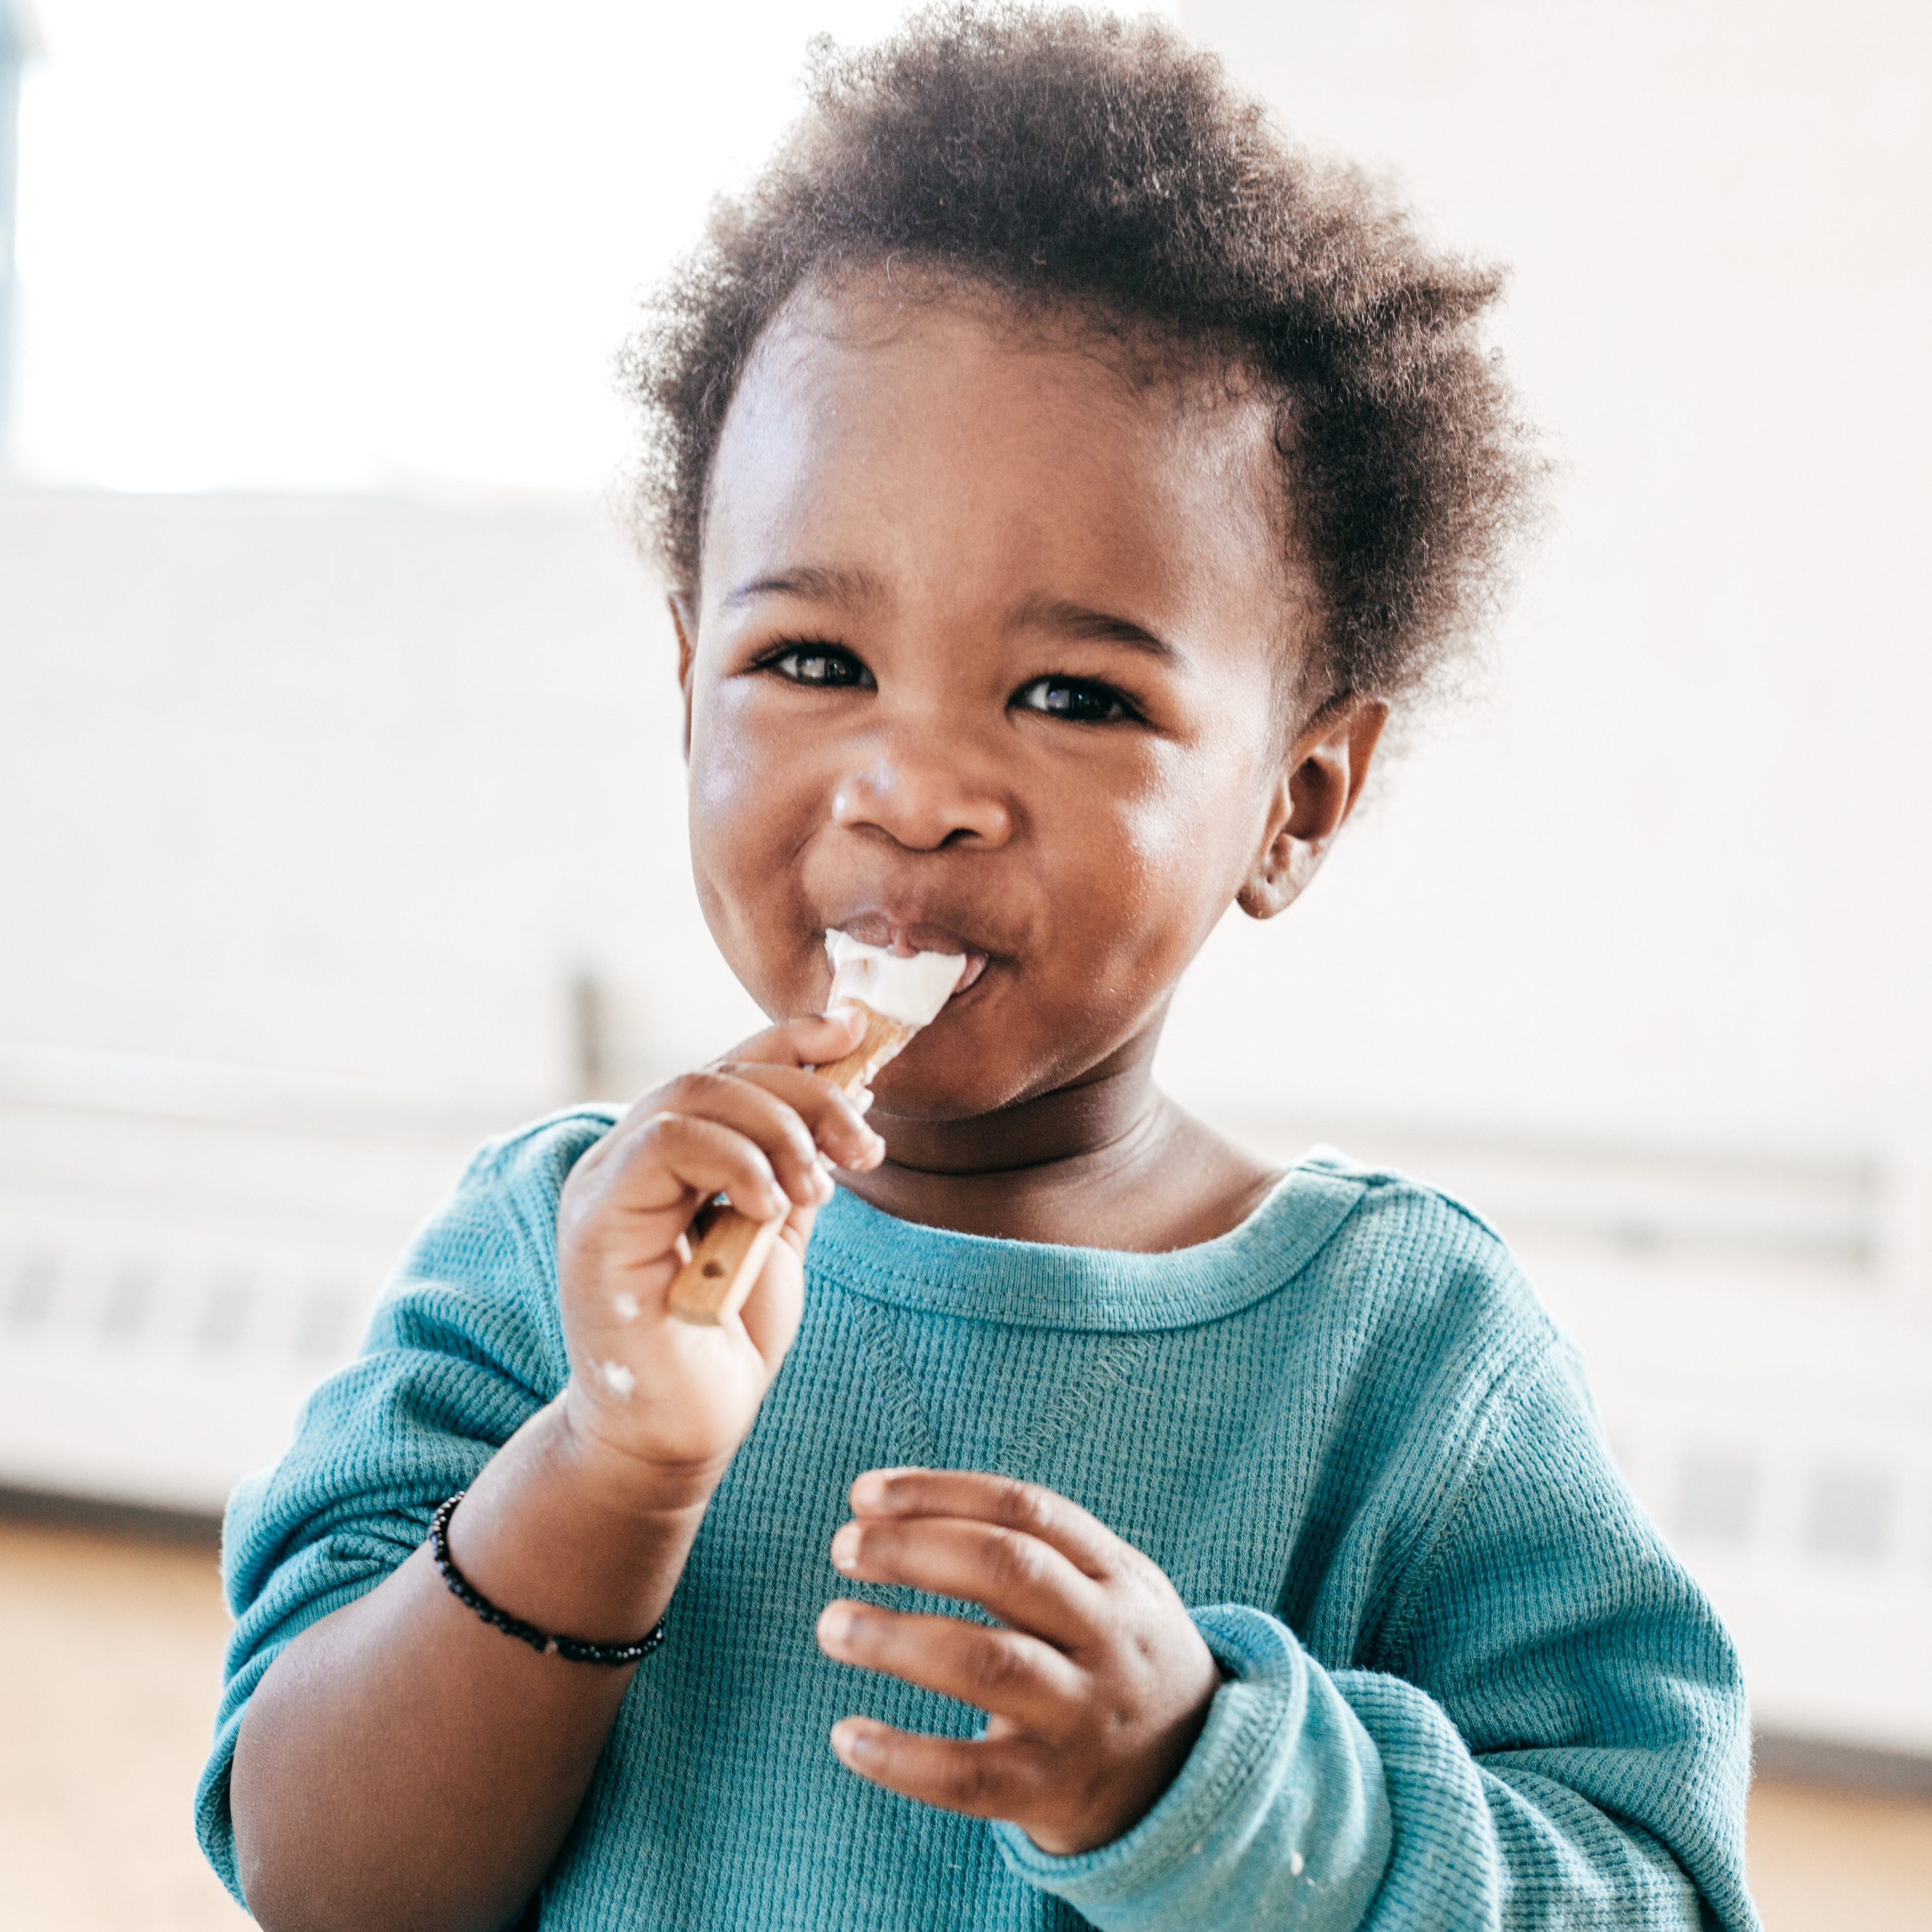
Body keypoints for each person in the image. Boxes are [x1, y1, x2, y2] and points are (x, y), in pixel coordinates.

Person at [198, 8, 1758, 1929]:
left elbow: (1650, 1894)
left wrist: (1207, 1779)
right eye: (814, 662)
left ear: (1299, 800)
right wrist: (603, 1472)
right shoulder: (542, 1252)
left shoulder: (1408, 1363)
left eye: (1074, 693)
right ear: (688, 679)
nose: (917, 785)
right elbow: (330, 1884)